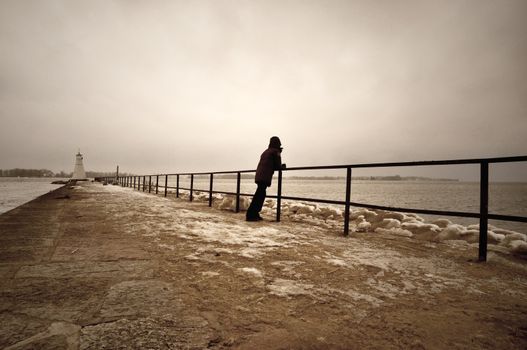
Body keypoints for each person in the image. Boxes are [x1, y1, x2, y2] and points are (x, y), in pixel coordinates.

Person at [246, 136, 286, 221]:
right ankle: (251, 214)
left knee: (260, 194)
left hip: (259, 174)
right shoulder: (275, 152)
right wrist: (282, 164)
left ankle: (254, 214)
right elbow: (278, 165)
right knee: (260, 195)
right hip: (265, 175)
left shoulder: (266, 151)